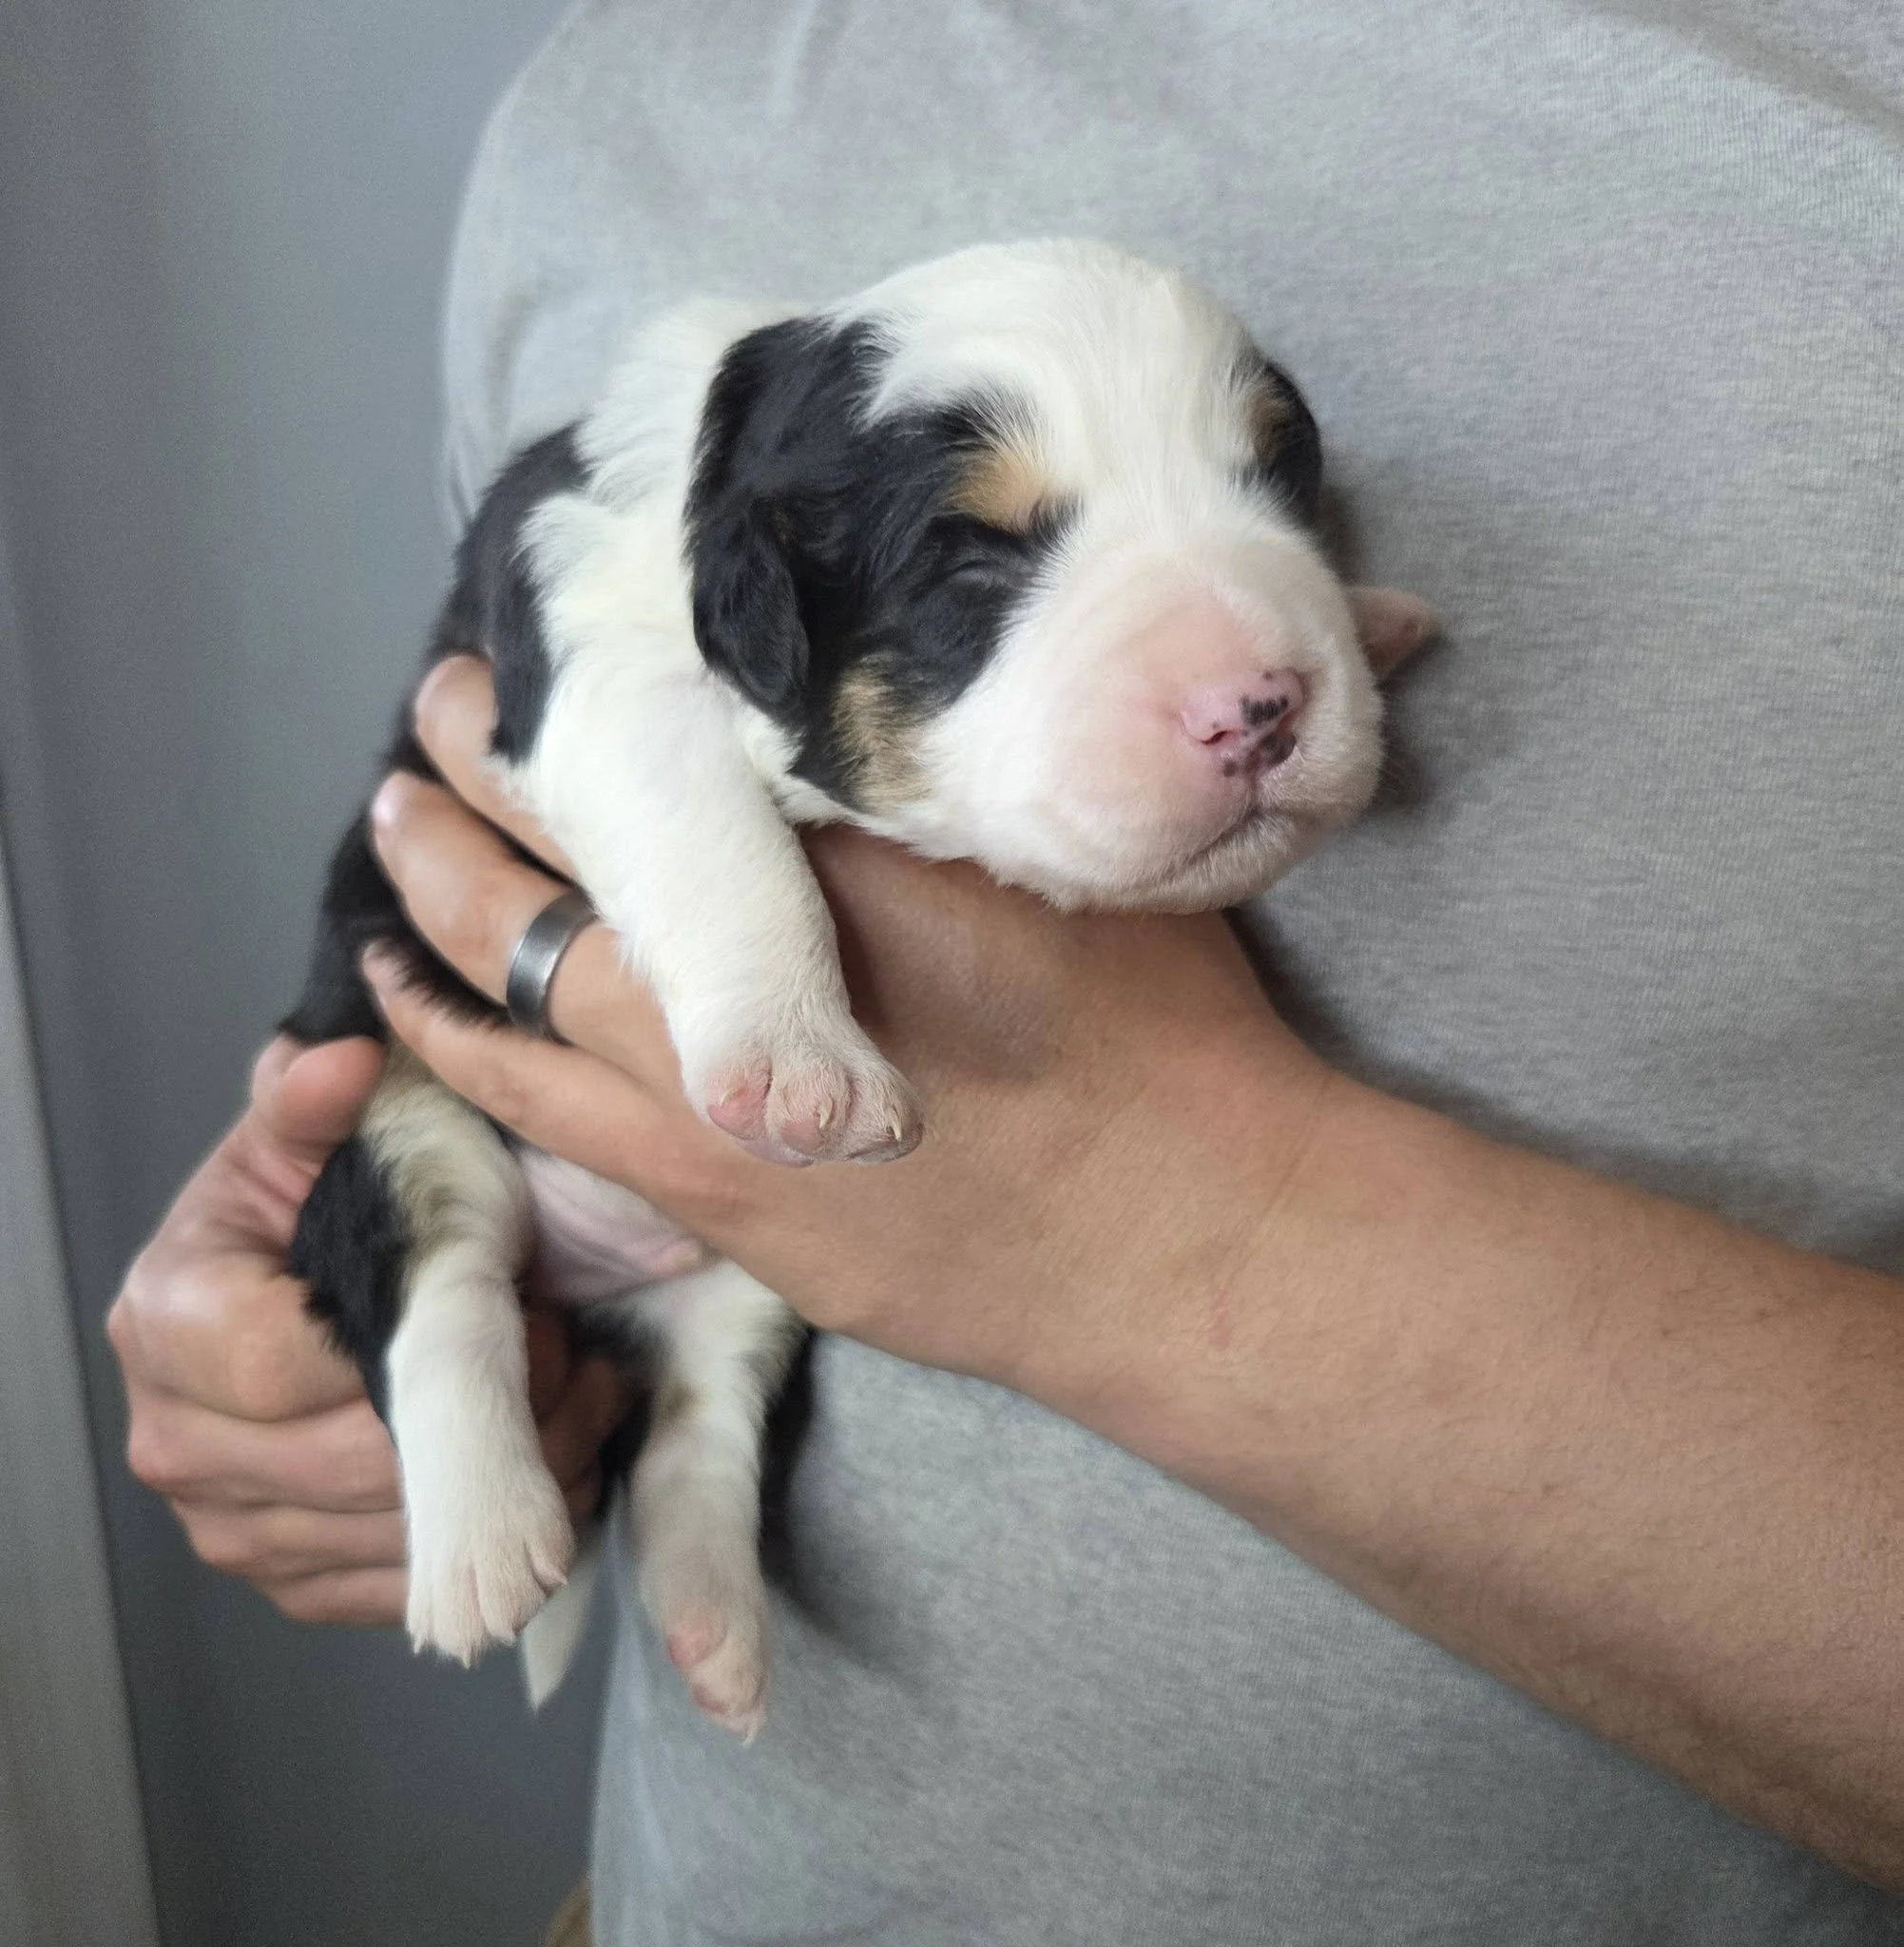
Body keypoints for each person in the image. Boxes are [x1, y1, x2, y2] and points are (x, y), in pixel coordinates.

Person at [107, 2, 1904, 1940]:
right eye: (989, 558)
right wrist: (328, 1294)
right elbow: (523, 804)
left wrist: (1168, 1223)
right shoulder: (618, 99)